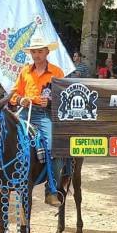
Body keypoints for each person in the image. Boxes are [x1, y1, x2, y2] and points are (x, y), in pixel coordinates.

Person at [8, 32, 70, 207]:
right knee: (1, 136)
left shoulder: (56, 72)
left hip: (44, 115)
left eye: (40, 51)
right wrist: (20, 99)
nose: (37, 55)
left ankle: (51, 190)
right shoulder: (25, 71)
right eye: (34, 51)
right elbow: (13, 94)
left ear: (47, 52)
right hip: (24, 112)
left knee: (53, 147)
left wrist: (50, 102)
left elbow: (65, 97)